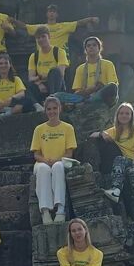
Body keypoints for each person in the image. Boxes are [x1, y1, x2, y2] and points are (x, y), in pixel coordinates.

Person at [90, 102, 134, 222]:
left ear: (131, 116)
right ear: (117, 115)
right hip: (129, 159)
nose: (124, 116)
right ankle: (116, 190)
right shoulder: (115, 131)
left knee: (133, 172)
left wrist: (132, 166)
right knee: (119, 159)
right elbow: (94, 135)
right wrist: (101, 134)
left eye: (127, 113)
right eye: (121, 113)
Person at [30, 96, 77, 225]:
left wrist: (56, 160)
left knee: (58, 167)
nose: (52, 111)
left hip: (62, 161)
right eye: (49, 109)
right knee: (43, 169)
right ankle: (45, 211)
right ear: (45, 111)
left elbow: (69, 153)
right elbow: (36, 154)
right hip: (43, 162)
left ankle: (60, 210)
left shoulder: (68, 128)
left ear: (60, 109)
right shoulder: (39, 129)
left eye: (55, 108)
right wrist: (46, 161)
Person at [12, 3, 99, 61]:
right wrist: (12, 21)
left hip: (60, 60)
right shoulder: (40, 28)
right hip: (44, 61)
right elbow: (25, 26)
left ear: (57, 14)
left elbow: (78, 23)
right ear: (47, 14)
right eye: (50, 11)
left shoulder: (64, 26)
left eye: (54, 12)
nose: (52, 13)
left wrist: (91, 19)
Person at [56, 36, 119, 106]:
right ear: (85, 50)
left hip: (102, 97)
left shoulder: (108, 64)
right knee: (58, 95)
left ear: (99, 48)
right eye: (88, 46)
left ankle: (87, 102)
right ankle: (87, 102)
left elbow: (112, 87)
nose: (91, 47)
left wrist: (99, 89)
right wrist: (91, 89)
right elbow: (77, 93)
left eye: (94, 45)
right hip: (85, 97)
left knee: (112, 86)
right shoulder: (80, 68)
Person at [27, 26, 69, 104]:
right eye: (38, 38)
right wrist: (39, 83)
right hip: (41, 86)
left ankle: (53, 100)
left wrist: (43, 76)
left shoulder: (59, 52)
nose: (41, 39)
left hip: (56, 85)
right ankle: (37, 106)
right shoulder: (34, 56)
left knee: (54, 71)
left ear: (49, 37)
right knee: (27, 85)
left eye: (43, 36)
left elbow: (60, 73)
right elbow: (31, 78)